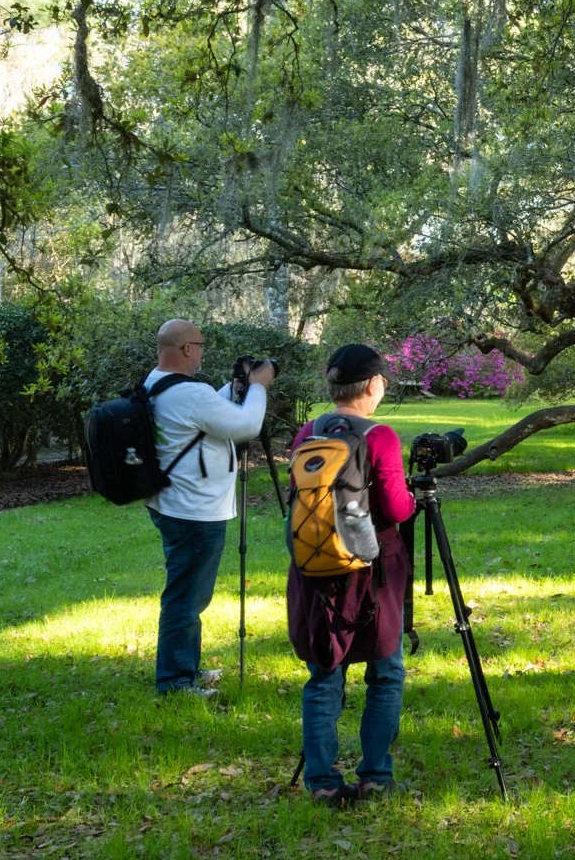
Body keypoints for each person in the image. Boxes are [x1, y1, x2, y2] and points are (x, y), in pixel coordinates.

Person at [286, 344, 418, 807]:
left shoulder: (310, 430)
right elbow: (397, 508)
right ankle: (376, 776)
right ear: (371, 385)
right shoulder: (379, 435)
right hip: (371, 570)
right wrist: (417, 499)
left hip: (315, 570)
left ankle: (321, 781)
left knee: (324, 674)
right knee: (386, 671)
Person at [143, 318, 274, 695]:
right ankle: (175, 682)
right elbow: (247, 425)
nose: (202, 353)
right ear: (187, 349)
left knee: (187, 593)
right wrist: (259, 387)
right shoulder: (190, 393)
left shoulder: (156, 382)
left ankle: (186, 668)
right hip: (195, 510)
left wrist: (234, 389)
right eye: (199, 346)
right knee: (187, 598)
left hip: (171, 502)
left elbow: (203, 413)